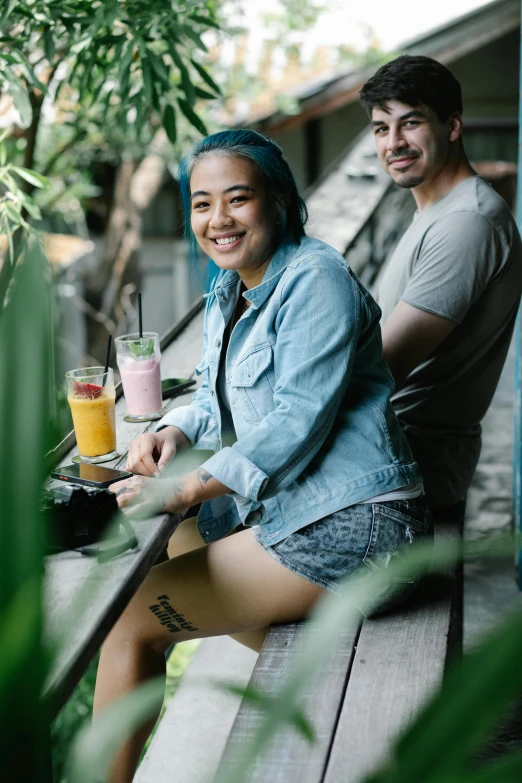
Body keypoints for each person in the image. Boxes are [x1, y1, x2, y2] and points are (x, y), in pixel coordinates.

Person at [94, 129, 430, 783]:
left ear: (277, 200)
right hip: (315, 514)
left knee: (130, 618)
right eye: (201, 203)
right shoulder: (234, 285)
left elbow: (296, 421)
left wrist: (188, 488)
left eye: (237, 198)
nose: (217, 219)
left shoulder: (316, 279)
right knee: (185, 540)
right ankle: (291, 676)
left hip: (362, 527)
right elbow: (217, 394)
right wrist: (172, 432)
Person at [359, 55, 522, 515]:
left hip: (404, 472)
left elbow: (379, 370)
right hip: (387, 455)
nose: (394, 143)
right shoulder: (437, 211)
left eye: (410, 123)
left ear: (452, 126)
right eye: (380, 128)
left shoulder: (466, 223)